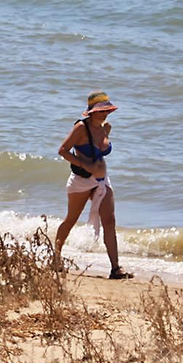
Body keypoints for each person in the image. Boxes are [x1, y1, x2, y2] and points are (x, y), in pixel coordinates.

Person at [53, 92, 131, 279]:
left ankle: (115, 268)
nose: (105, 114)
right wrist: (84, 164)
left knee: (109, 221)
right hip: (81, 181)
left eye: (107, 110)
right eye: (101, 111)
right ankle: (55, 258)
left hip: (102, 181)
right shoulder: (81, 127)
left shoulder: (106, 127)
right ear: (91, 112)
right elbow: (62, 150)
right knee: (71, 219)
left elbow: (101, 151)